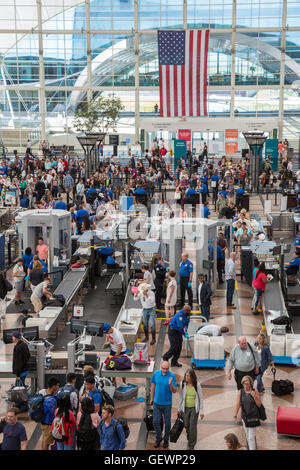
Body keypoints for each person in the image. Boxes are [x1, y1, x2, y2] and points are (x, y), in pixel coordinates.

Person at [151, 361, 177, 448]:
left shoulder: (172, 376)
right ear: (160, 367)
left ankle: (166, 440)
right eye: (163, 368)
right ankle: (159, 437)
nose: (165, 370)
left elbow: (174, 391)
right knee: (155, 421)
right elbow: (153, 386)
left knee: (167, 423)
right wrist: (152, 398)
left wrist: (170, 384)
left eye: (166, 369)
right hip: (157, 403)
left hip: (167, 404)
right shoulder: (156, 374)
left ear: (168, 368)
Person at [233, 375, 262, 450]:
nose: (245, 385)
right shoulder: (241, 392)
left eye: (247, 384)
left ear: (251, 384)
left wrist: (254, 396)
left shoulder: (254, 391)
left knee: (251, 437)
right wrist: (235, 415)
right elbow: (238, 404)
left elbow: (259, 404)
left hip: (253, 417)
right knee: (248, 436)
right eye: (244, 384)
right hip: (245, 417)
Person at [177, 369, 204, 451]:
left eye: (188, 376)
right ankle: (190, 436)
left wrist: (201, 411)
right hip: (185, 407)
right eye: (186, 375)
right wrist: (179, 408)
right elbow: (181, 396)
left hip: (194, 408)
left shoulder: (197, 385)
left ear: (192, 377)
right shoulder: (182, 384)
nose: (186, 377)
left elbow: (201, 398)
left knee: (192, 426)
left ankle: (192, 444)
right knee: (186, 425)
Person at [39, 376, 60, 450]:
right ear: (53, 386)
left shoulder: (41, 392)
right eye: (57, 385)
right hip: (49, 422)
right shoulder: (52, 398)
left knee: (45, 439)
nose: (58, 387)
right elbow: (53, 411)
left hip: (42, 420)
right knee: (47, 443)